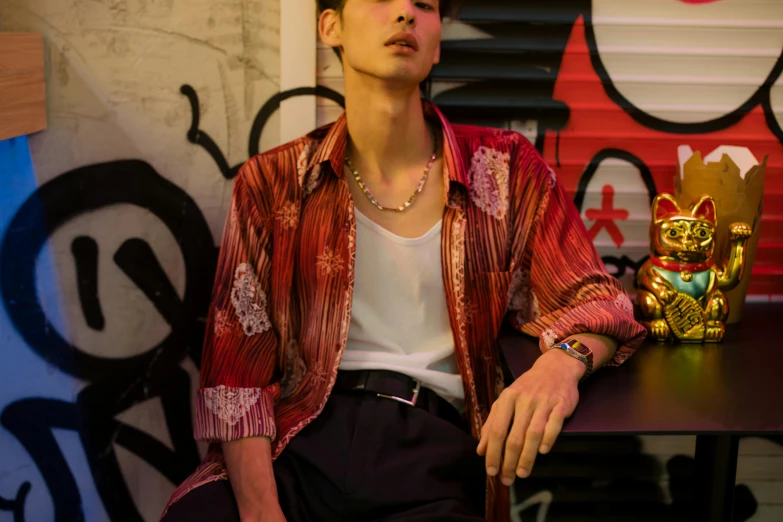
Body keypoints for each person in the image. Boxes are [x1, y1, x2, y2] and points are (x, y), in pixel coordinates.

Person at [160, 1, 647, 521]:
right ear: (331, 26)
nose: (405, 15)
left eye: (424, 5)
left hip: (433, 452)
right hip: (298, 442)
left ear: (437, 43)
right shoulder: (274, 183)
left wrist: (561, 364)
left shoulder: (505, 171)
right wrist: (260, 511)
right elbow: (237, 373)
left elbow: (599, 301)